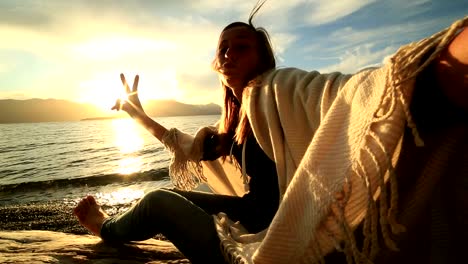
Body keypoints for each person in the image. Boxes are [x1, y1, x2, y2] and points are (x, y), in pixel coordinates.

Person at [74, 3, 468, 263]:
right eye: (223, 47)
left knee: (158, 200)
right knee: (172, 196)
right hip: (249, 215)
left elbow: (341, 95)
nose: (228, 53)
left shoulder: (277, 88)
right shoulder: (238, 119)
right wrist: (136, 112)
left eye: (240, 47)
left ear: (262, 59)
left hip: (273, 236)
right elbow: (185, 147)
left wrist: (429, 70)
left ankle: (105, 227)